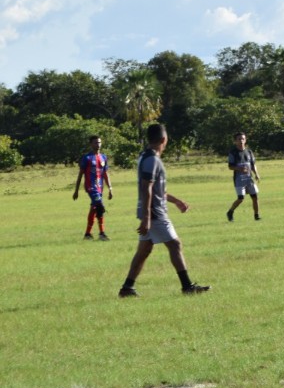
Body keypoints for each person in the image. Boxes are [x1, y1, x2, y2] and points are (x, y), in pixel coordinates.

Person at [118, 124, 208, 297]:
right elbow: (147, 188)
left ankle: (127, 288)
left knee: (144, 250)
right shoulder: (152, 160)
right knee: (175, 245)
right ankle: (187, 286)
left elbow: (157, 190)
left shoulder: (144, 156)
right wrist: (147, 217)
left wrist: (176, 201)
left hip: (151, 210)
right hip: (154, 212)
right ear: (163, 140)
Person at [73, 134, 113, 241]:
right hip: (90, 187)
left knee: (94, 209)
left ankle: (87, 234)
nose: (98, 144)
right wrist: (76, 190)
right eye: (95, 142)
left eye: (99, 142)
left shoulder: (103, 157)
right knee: (100, 206)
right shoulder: (87, 158)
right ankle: (102, 233)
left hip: (100, 188)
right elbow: (80, 175)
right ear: (91, 144)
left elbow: (105, 174)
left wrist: (110, 188)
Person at [225, 132, 261, 222]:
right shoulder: (233, 153)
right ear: (235, 141)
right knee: (241, 198)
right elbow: (230, 166)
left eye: (243, 139)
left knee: (255, 196)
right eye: (239, 139)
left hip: (249, 178)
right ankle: (230, 211)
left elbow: (253, 164)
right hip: (239, 179)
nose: (241, 141)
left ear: (245, 140)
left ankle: (257, 215)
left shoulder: (249, 152)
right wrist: (240, 169)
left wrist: (256, 174)